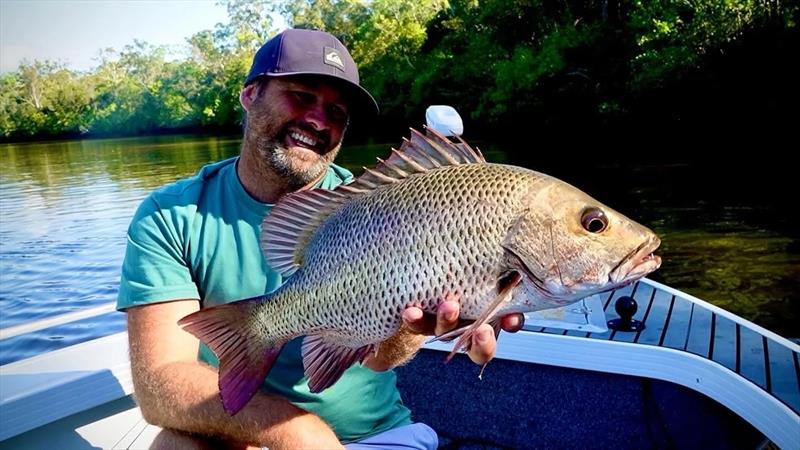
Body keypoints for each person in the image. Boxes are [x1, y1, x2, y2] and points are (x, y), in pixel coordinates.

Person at [117, 28, 524, 450]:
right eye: (302, 95)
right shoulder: (172, 215)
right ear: (250, 94)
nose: (318, 120)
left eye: (337, 111)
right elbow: (161, 385)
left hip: (376, 436)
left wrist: (415, 327)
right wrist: (296, 431)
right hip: (244, 435)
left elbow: (378, 359)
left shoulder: (382, 209)